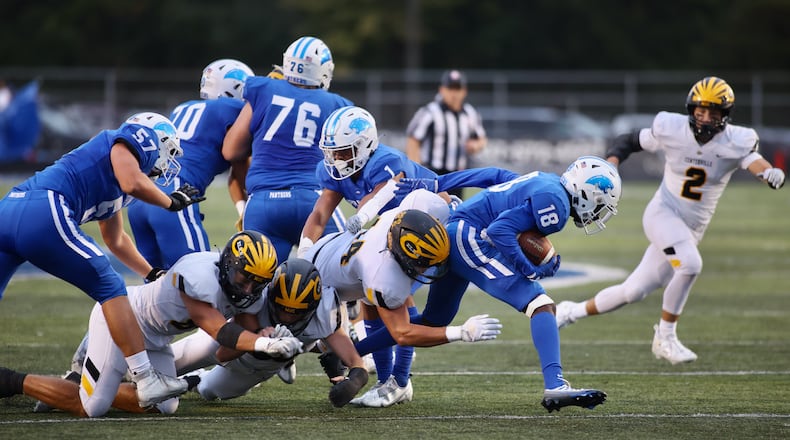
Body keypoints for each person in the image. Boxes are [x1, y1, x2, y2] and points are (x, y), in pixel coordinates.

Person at [358, 156, 622, 412]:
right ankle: (555, 384)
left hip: (457, 232)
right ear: (588, 194)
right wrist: (529, 269)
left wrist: (439, 183)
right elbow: (499, 230)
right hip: (469, 238)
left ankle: (348, 352)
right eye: (601, 203)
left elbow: (492, 175)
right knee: (541, 304)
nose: (598, 212)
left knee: (433, 321)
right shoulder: (557, 205)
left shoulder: (546, 181)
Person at [555, 77, 786, 364]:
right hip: (663, 213)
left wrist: (768, 172)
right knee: (690, 265)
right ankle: (665, 336)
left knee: (632, 291)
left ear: (725, 116)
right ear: (691, 110)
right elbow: (627, 140)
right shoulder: (672, 128)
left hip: (691, 228)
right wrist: (611, 165)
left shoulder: (737, 141)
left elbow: (753, 160)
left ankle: (569, 311)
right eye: (700, 112)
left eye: (712, 113)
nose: (704, 119)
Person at [0, 112, 205, 409]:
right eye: (169, 151)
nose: (168, 160)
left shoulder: (118, 183)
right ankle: (146, 377)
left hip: (9, 211)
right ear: (155, 140)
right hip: (43, 207)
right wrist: (170, 201)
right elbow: (132, 180)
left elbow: (116, 239)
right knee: (110, 285)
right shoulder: (133, 139)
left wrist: (151, 273)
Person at [0, 230, 305, 417]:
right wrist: (265, 343)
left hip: (157, 337)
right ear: (228, 264)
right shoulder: (199, 275)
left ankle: (85, 381)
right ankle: (10, 380)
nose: (249, 290)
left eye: (258, 283)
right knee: (92, 407)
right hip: (123, 317)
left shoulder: (250, 295)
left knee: (164, 406)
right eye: (244, 278)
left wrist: (266, 338)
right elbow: (218, 329)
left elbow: (227, 351)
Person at [298, 105, 455, 405]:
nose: (335, 159)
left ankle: (399, 381)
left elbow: (372, 201)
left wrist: (360, 225)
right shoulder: (337, 169)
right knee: (370, 304)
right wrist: (305, 249)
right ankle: (386, 380)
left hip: (432, 227)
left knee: (394, 298)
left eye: (343, 152)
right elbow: (320, 213)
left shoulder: (386, 162)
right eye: (332, 152)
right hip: (390, 234)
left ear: (364, 145)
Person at [304, 190, 503, 408]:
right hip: (318, 283)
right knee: (307, 341)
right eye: (422, 262)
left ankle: (385, 379)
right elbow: (403, 332)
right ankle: (385, 377)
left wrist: (452, 205)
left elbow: (443, 195)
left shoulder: (418, 204)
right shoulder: (382, 275)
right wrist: (461, 332)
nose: (426, 268)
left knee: (373, 304)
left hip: (337, 248)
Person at [171, 257, 369, 407]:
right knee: (170, 362)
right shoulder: (258, 300)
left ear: (313, 306)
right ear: (271, 294)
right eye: (281, 308)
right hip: (229, 342)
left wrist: (354, 383)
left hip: (260, 369)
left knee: (208, 390)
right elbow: (221, 354)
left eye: (297, 313)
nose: (287, 317)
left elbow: (355, 362)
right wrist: (260, 342)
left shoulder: (324, 314)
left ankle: (195, 379)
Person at [222, 36, 352, 263]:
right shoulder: (336, 104)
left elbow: (231, 151)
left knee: (255, 288)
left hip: (262, 202)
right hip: (310, 199)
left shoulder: (264, 88)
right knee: (346, 270)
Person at [128, 59, 254, 271]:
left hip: (140, 198)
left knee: (155, 289)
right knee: (201, 279)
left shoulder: (183, 108)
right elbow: (241, 167)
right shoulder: (233, 109)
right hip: (175, 196)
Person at [406, 69, 487, 199]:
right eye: (450, 88)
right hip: (433, 172)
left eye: (457, 89)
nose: (454, 93)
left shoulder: (470, 113)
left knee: (454, 211)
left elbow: (481, 139)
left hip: (458, 174)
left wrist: (476, 145)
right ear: (442, 90)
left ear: (464, 91)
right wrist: (416, 169)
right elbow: (413, 139)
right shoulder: (430, 112)